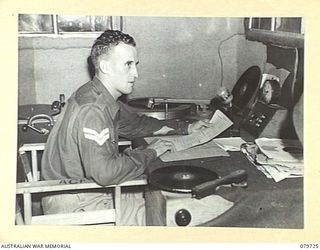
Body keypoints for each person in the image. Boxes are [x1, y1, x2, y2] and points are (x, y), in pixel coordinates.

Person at [41, 29, 209, 225]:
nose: (136, 73)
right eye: (128, 65)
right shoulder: (93, 110)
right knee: (168, 218)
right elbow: (106, 174)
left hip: (82, 191)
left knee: (156, 199)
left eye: (135, 65)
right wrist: (150, 152)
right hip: (77, 204)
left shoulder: (97, 94)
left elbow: (136, 124)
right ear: (105, 67)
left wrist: (184, 128)